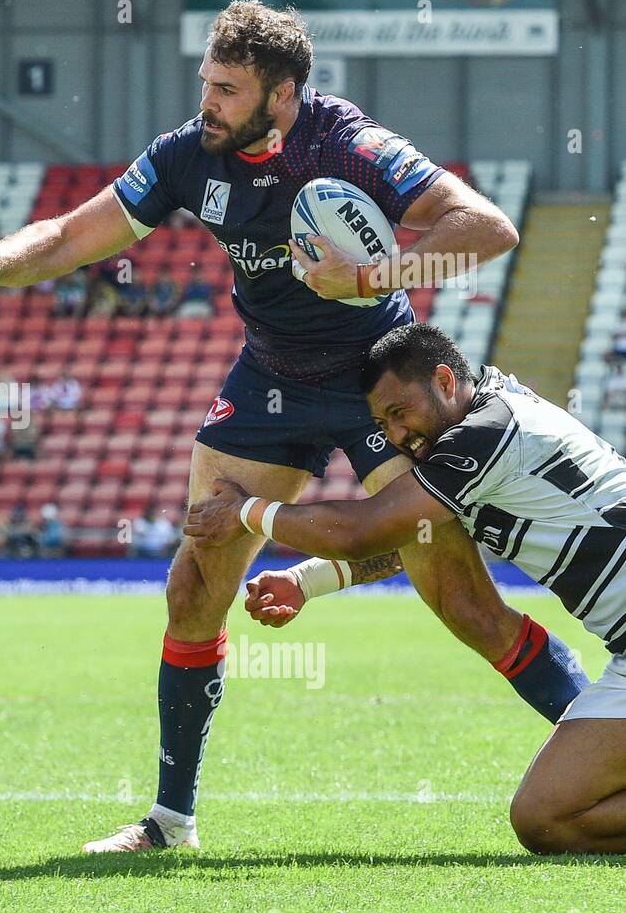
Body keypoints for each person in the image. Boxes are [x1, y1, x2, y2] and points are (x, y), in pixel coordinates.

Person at [0, 0, 556, 858]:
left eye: (227, 88)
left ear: (284, 94)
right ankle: (170, 820)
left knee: (468, 604)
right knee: (192, 584)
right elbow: (76, 234)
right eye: (205, 83)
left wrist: (374, 272)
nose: (207, 102)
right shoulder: (189, 153)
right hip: (268, 380)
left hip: (381, 378)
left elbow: (488, 227)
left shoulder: (348, 143)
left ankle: (607, 743)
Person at [184, 324, 607, 853]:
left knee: (550, 817)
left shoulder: (486, 433)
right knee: (547, 820)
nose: (397, 435)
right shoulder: (491, 416)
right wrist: (305, 580)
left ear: (445, 380)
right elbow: (411, 536)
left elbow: (367, 531)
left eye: (400, 412)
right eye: (383, 424)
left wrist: (246, 512)